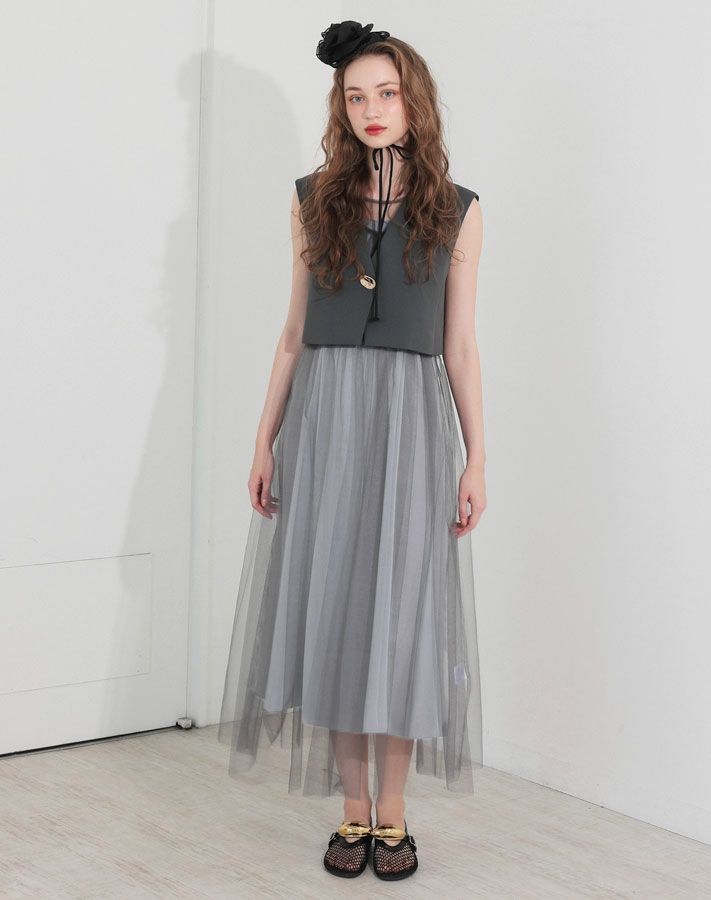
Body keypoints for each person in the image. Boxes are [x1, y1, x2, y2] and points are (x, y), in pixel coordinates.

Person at [218, 21, 487, 882]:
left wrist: (477, 456)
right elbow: (293, 334)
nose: (372, 109)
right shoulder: (312, 202)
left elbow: (461, 347)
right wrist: (264, 437)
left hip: (411, 423)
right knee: (335, 605)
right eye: (356, 95)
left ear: (415, 102)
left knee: (401, 617)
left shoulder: (457, 211)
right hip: (326, 418)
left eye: (388, 93)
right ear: (341, 106)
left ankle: (394, 816)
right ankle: (352, 809)